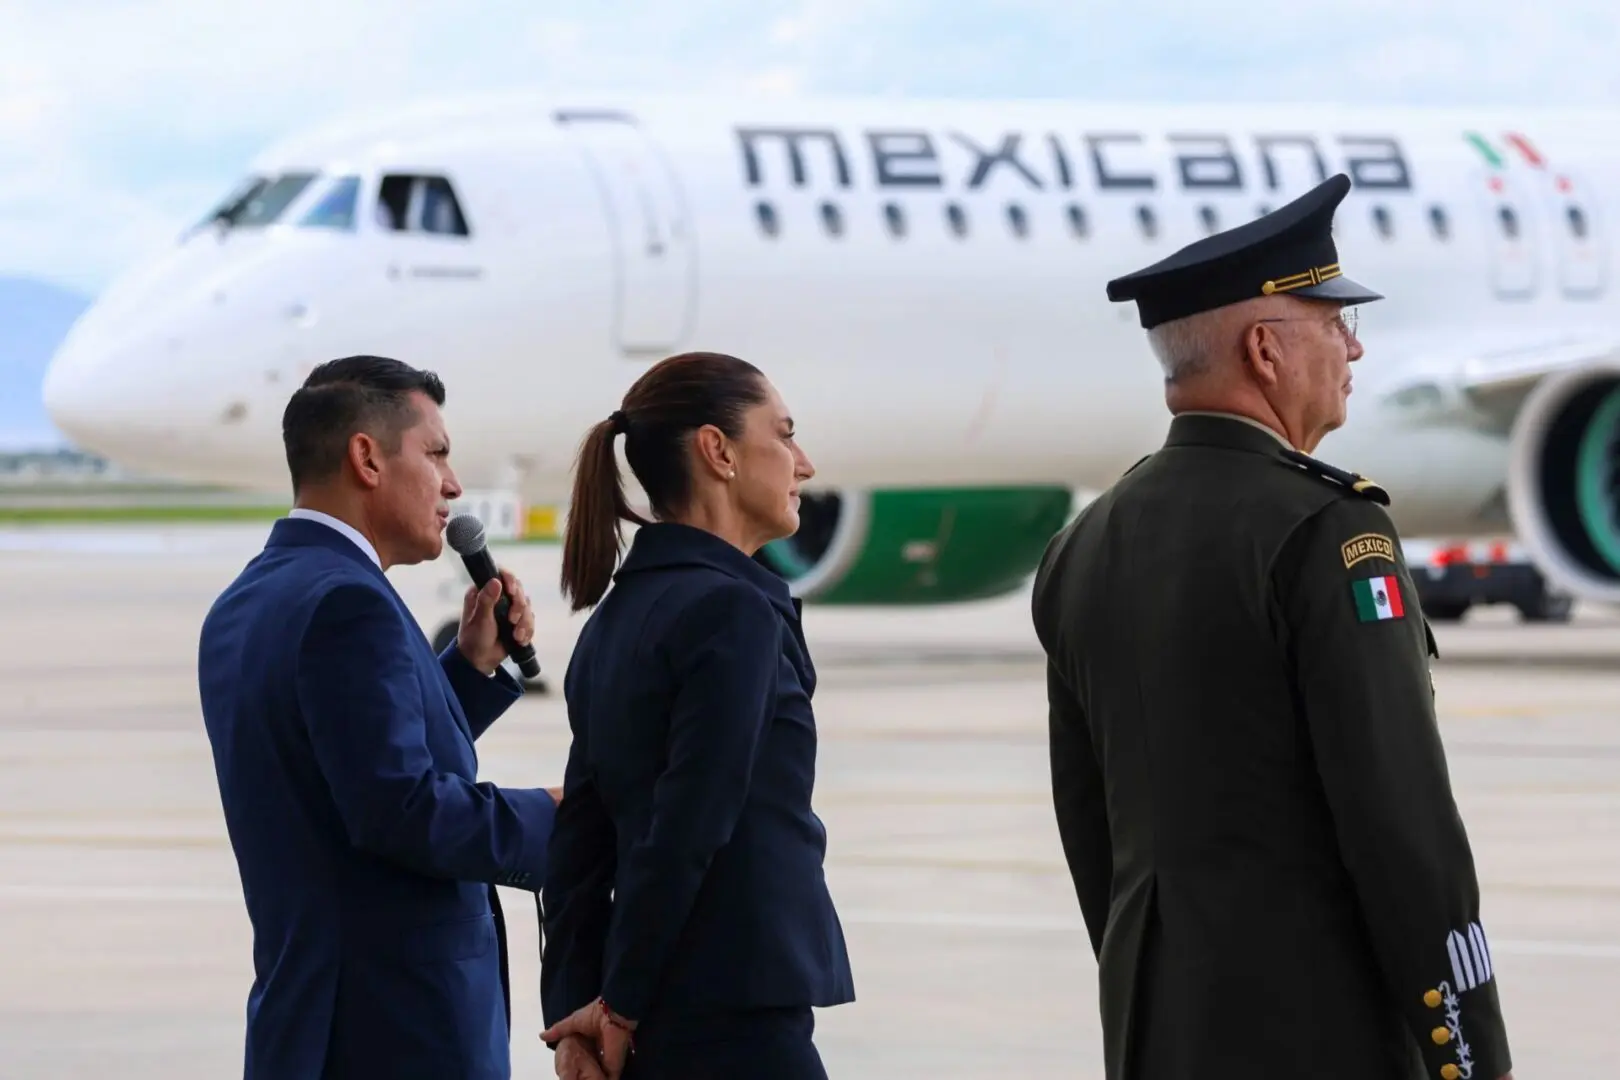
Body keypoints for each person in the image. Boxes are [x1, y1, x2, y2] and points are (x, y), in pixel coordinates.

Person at [1030, 175, 1513, 1080]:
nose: (1354, 349)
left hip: (1153, 1028)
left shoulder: (1083, 545)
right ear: (1266, 349)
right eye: (1335, 323)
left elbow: (1088, 823)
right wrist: (1468, 1049)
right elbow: (1402, 824)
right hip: (1321, 1031)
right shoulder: (1330, 532)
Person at [196, 354, 562, 1080]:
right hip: (392, 1031)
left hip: (315, 1017)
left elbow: (342, 759)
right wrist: (561, 816)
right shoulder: (350, 604)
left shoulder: (251, 598)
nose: (454, 486)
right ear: (366, 457)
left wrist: (470, 666)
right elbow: (396, 808)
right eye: (436, 454)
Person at [537, 351, 855, 1080]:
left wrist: (577, 1018)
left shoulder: (614, 619)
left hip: (646, 1023)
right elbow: (690, 825)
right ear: (719, 452)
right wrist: (614, 1006)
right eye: (783, 434)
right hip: (732, 1015)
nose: (803, 463)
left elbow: (580, 848)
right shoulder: (730, 610)